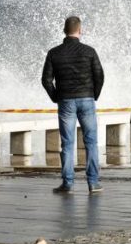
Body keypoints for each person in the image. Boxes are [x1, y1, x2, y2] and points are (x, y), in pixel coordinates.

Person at [42, 16, 105, 194]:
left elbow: (46, 80)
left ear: (64, 30)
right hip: (87, 99)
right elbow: (100, 75)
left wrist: (56, 97)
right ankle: (93, 183)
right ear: (80, 30)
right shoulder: (89, 51)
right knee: (91, 142)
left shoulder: (54, 53)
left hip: (66, 101)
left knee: (67, 144)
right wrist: (94, 95)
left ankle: (67, 183)